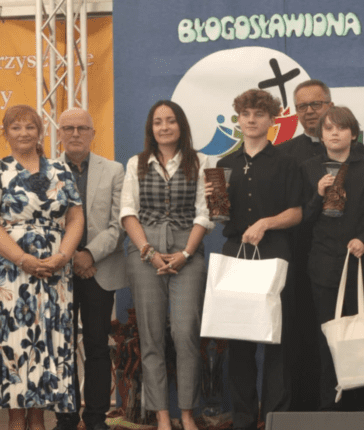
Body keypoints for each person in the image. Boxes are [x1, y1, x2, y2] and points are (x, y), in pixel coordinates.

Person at [213, 89, 303, 430]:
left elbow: (297, 212)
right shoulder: (224, 165)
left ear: (271, 120)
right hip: (236, 252)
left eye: (259, 114)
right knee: (238, 341)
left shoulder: (286, 162)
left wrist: (265, 223)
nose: (251, 120)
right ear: (238, 119)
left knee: (277, 338)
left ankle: (275, 417)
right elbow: (219, 216)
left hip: (275, 252)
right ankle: (243, 419)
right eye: (246, 114)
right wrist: (214, 205)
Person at [120, 100, 213, 430]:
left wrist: (186, 253)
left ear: (181, 125)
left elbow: (205, 212)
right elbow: (128, 212)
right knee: (151, 336)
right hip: (145, 252)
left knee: (185, 332)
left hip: (188, 250)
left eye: (170, 121)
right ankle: (161, 415)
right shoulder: (136, 163)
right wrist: (148, 251)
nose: (164, 127)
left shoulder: (201, 161)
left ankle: (187, 413)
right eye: (158, 122)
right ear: (151, 128)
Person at [0, 105, 84, 430]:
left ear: (40, 132)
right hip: (12, 276)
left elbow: (75, 217)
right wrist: (23, 259)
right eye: (16, 127)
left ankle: (39, 422)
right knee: (16, 348)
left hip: (55, 275)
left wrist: (63, 255)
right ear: (6, 134)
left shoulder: (61, 171)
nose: (24, 133)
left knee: (48, 348)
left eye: (30, 127)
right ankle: (15, 421)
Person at [301, 106, 364, 411]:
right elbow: (303, 218)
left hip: (360, 264)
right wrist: (318, 194)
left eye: (341, 128)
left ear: (353, 134)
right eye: (328, 129)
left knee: (361, 337)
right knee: (329, 341)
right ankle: (330, 410)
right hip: (324, 265)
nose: (334, 133)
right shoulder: (310, 168)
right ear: (320, 135)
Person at [53, 108, 126, 430]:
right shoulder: (46, 171)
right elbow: (45, 225)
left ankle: (96, 418)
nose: (75, 134)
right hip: (58, 273)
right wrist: (71, 257)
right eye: (68, 128)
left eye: (82, 128)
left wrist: (89, 255)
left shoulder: (114, 170)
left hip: (100, 269)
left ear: (93, 134)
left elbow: (119, 224)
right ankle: (66, 418)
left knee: (97, 345)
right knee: (62, 347)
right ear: (58, 134)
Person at [276, 79, 334, 411]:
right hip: (296, 256)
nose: (309, 111)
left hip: (337, 256)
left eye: (316, 104)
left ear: (330, 106)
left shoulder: (349, 149)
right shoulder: (284, 153)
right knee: (297, 332)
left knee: (335, 334)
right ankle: (298, 411)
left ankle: (335, 410)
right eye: (302, 106)